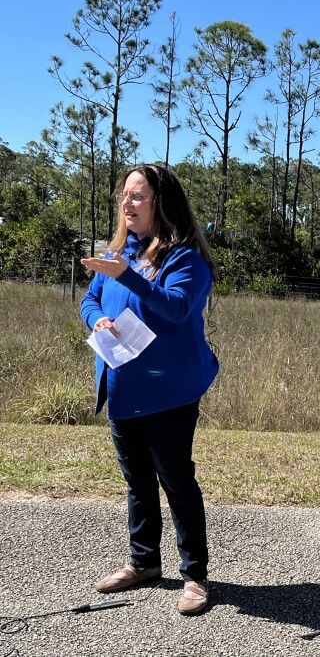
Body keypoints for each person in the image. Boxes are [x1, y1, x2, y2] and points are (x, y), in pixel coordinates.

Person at [80, 164, 219, 616]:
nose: (127, 203)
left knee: (176, 482)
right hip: (123, 384)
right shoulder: (118, 253)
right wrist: (94, 318)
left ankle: (194, 576)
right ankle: (144, 563)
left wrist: (127, 276)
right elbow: (90, 297)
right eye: (124, 195)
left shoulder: (185, 259)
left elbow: (177, 308)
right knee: (137, 482)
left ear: (161, 202)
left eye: (137, 195)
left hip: (170, 392)